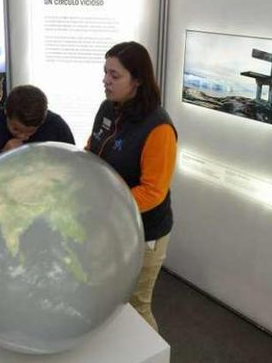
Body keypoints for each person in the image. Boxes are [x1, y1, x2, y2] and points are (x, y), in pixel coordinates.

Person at [86, 41, 177, 332]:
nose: (106, 80)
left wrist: (107, 203)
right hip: (110, 225)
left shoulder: (158, 128)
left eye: (115, 75)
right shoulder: (108, 108)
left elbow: (153, 191)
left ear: (137, 80)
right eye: (105, 73)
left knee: (137, 308)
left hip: (145, 233)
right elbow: (93, 149)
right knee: (110, 298)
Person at [0, 84, 74, 167]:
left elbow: (73, 163)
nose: (23, 137)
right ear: (6, 112)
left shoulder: (56, 127)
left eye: (31, 131)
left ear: (43, 121)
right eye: (16, 129)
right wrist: (1, 155)